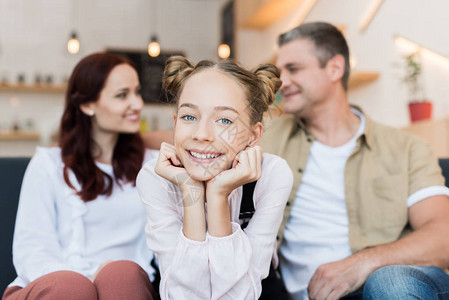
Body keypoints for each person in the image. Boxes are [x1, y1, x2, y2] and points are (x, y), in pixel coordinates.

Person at [260, 21, 449, 299]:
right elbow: (196, 137)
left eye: (294, 69)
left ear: (335, 68)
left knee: (391, 282)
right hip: (305, 295)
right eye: (280, 71)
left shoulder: (406, 148)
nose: (282, 82)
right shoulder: (263, 135)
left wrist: (363, 264)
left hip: (382, 288)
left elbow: (443, 236)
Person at [3, 52, 158, 300]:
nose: (137, 104)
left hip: (121, 288)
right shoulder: (48, 164)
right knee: (71, 288)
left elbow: (192, 140)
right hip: (52, 286)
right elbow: (32, 248)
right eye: (122, 95)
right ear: (87, 104)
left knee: (122, 275)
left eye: (137, 92)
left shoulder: (153, 164)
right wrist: (85, 284)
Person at [137, 56, 293, 299]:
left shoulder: (272, 175)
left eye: (224, 121)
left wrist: (218, 195)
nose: (201, 134)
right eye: (189, 117)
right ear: (176, 122)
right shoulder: (156, 178)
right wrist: (191, 191)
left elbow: (241, 295)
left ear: (253, 136)